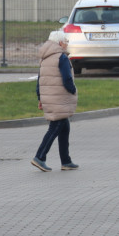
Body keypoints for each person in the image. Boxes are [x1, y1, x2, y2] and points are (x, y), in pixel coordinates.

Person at [32, 29, 79, 172]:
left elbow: (40, 79)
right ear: (60, 43)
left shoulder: (45, 57)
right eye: (66, 42)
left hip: (49, 97)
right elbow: (66, 78)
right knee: (55, 128)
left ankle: (66, 161)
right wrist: (73, 90)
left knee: (64, 126)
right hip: (59, 98)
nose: (67, 45)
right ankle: (39, 157)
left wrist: (40, 97)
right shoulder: (61, 57)